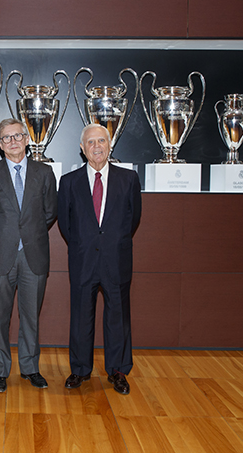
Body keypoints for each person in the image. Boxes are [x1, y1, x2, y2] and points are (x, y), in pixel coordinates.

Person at [57, 124, 141, 395]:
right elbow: (66, 224)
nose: (96, 146)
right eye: (90, 142)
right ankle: (80, 370)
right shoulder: (68, 182)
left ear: (110, 144)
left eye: (101, 141)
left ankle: (118, 371)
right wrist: (85, 244)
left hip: (116, 259)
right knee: (81, 316)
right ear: (82, 149)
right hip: (82, 259)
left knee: (118, 316)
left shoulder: (128, 179)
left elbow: (133, 219)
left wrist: (111, 242)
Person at [0, 118, 57, 393]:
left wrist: (26, 234)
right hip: (1, 254)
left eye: (17, 136)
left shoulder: (44, 173)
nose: (13, 141)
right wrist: (6, 235)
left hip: (34, 255)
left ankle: (30, 368)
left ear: (26, 139)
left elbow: (49, 213)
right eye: (6, 138)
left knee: (30, 316)